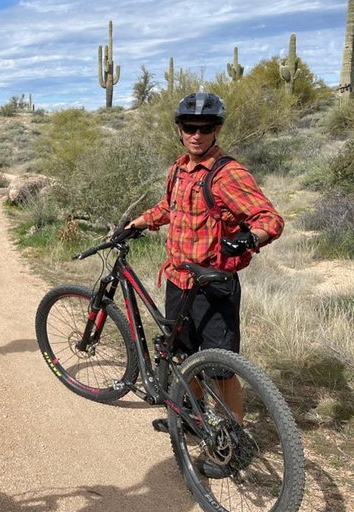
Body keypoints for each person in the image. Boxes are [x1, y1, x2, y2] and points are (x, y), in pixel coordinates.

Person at [126, 92, 284, 477]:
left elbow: (270, 218)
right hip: (178, 280)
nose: (197, 135)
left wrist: (251, 238)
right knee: (182, 355)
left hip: (213, 284)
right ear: (179, 130)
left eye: (206, 128)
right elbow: (170, 209)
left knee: (221, 368)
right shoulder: (178, 170)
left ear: (217, 130)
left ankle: (235, 441)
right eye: (189, 127)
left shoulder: (228, 173)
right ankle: (191, 416)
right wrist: (140, 222)